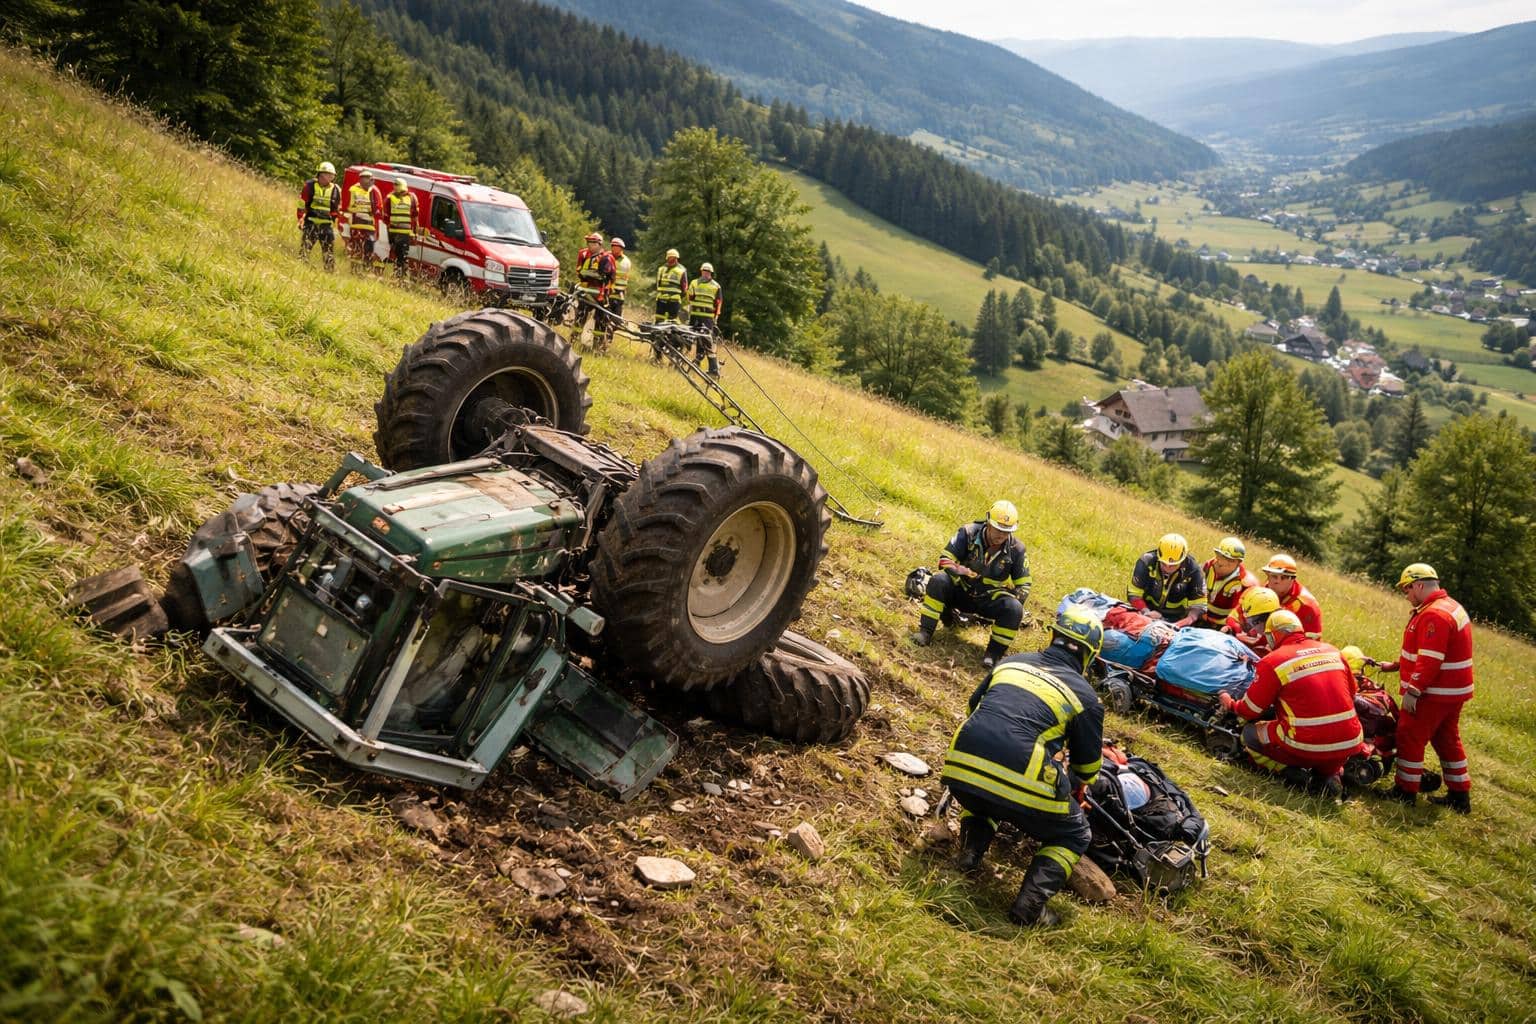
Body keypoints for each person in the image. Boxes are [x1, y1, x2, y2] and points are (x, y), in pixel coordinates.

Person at [941, 605, 1105, 927]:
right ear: (1088, 656)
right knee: (1074, 833)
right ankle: (1029, 908)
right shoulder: (1086, 697)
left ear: (1054, 636)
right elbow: (1087, 769)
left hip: (960, 768)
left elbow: (975, 706)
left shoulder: (1011, 662)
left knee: (983, 797)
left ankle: (970, 856)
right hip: (1019, 778)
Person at [1218, 610, 1363, 801]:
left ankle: (1293, 774)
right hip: (1349, 741)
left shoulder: (1274, 661)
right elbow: (1352, 694)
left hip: (1306, 743)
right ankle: (1329, 776)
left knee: (1250, 735)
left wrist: (1230, 702)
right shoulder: (1334, 651)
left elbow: (1250, 710)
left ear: (1273, 635)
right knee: (1327, 753)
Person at [1377, 563, 1474, 813]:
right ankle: (1460, 795)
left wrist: (1413, 690)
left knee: (1409, 736)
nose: (1406, 595)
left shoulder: (1434, 615)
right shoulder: (1451, 606)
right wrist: (1398, 666)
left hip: (1433, 693)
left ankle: (1405, 792)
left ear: (1419, 585)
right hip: (1453, 693)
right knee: (1447, 740)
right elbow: (1431, 652)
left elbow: (1431, 659)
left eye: (1407, 589)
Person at [911, 500, 1032, 667]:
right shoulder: (967, 532)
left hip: (988, 600)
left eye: (1006, 531)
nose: (1001, 535)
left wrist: (1014, 599)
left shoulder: (1017, 549)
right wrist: (964, 572)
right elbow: (945, 561)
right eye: (998, 529)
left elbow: (1024, 585)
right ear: (988, 522)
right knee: (938, 580)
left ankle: (993, 656)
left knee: (1015, 609)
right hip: (961, 590)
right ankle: (925, 633)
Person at [1128, 533, 1206, 626]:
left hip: (1176, 619)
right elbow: (1134, 594)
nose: (1168, 567)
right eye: (1163, 563)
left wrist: (1180, 624)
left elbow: (1199, 605)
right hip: (1144, 611)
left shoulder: (1193, 570)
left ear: (1183, 559)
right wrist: (1146, 612)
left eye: (1173, 565)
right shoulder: (1146, 561)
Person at [1259, 554, 1322, 640]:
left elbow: (1313, 641)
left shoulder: (1308, 605)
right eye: (1273, 576)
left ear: (1292, 579)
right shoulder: (1262, 590)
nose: (1276, 581)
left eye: (1283, 577)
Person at [1201, 537, 1256, 629]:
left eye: (1230, 560)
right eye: (1221, 556)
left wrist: (1229, 625)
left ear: (1238, 562)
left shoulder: (1245, 584)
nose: (1223, 562)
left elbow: (1241, 613)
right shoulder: (1208, 566)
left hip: (1223, 625)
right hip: (1201, 613)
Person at [296, 161, 341, 271]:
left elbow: (337, 209)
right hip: (310, 222)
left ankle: (329, 272)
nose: (329, 177)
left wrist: (335, 222)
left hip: (326, 225)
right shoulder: (309, 186)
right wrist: (300, 218)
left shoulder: (336, 190)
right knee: (305, 248)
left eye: (331, 175)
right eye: (326, 174)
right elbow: (302, 204)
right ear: (320, 174)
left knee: (328, 251)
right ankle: (300, 268)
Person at [571, 231, 614, 344]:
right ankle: (574, 341)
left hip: (600, 294)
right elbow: (580, 272)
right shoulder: (585, 255)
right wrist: (587, 273)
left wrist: (587, 273)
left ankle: (598, 346)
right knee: (580, 316)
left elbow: (603, 276)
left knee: (601, 321)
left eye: (593, 243)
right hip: (585, 292)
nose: (590, 245)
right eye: (589, 242)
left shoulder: (606, 258)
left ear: (599, 244)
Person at [686, 262, 723, 378]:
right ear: (701, 271)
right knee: (693, 337)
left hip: (707, 318)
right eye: (704, 271)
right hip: (695, 316)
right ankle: (696, 360)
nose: (706, 273)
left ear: (711, 273)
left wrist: (716, 317)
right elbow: (689, 297)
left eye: (708, 272)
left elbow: (718, 303)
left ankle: (711, 368)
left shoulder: (716, 286)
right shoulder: (694, 283)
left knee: (706, 341)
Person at [1222, 586, 1280, 654]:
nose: (1253, 627)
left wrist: (1235, 636)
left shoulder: (1277, 635)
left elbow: (1257, 643)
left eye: (1254, 622)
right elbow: (1232, 619)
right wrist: (1232, 630)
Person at [345, 168, 383, 271]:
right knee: (357, 248)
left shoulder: (374, 191)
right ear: (360, 180)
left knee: (369, 248)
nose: (367, 182)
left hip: (370, 226)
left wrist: (376, 211)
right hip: (356, 225)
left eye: (369, 179)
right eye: (364, 179)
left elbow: (379, 208)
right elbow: (347, 206)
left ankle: (366, 269)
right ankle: (355, 270)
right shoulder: (353, 189)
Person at [598, 236, 632, 352]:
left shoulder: (627, 262)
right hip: (607, 294)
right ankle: (597, 344)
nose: (615, 249)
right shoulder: (606, 257)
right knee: (602, 319)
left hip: (619, 295)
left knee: (615, 322)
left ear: (622, 249)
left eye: (618, 247)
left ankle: (607, 344)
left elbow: (626, 279)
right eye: (614, 247)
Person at [385, 177, 419, 280]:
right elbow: (386, 216)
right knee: (393, 255)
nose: (394, 187)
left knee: (402, 256)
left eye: (396, 185)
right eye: (394, 185)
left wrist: (415, 232)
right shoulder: (390, 198)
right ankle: (397, 276)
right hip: (393, 233)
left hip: (404, 234)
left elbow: (415, 217)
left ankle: (401, 278)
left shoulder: (412, 197)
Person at [654, 248, 687, 325]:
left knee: (672, 321)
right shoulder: (661, 269)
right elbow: (658, 284)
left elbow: (684, 288)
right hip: (661, 298)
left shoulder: (682, 270)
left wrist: (678, 296)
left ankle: (669, 336)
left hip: (674, 300)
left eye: (673, 258)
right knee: (659, 319)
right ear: (667, 258)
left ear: (676, 258)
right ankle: (657, 334)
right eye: (670, 258)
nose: (671, 260)